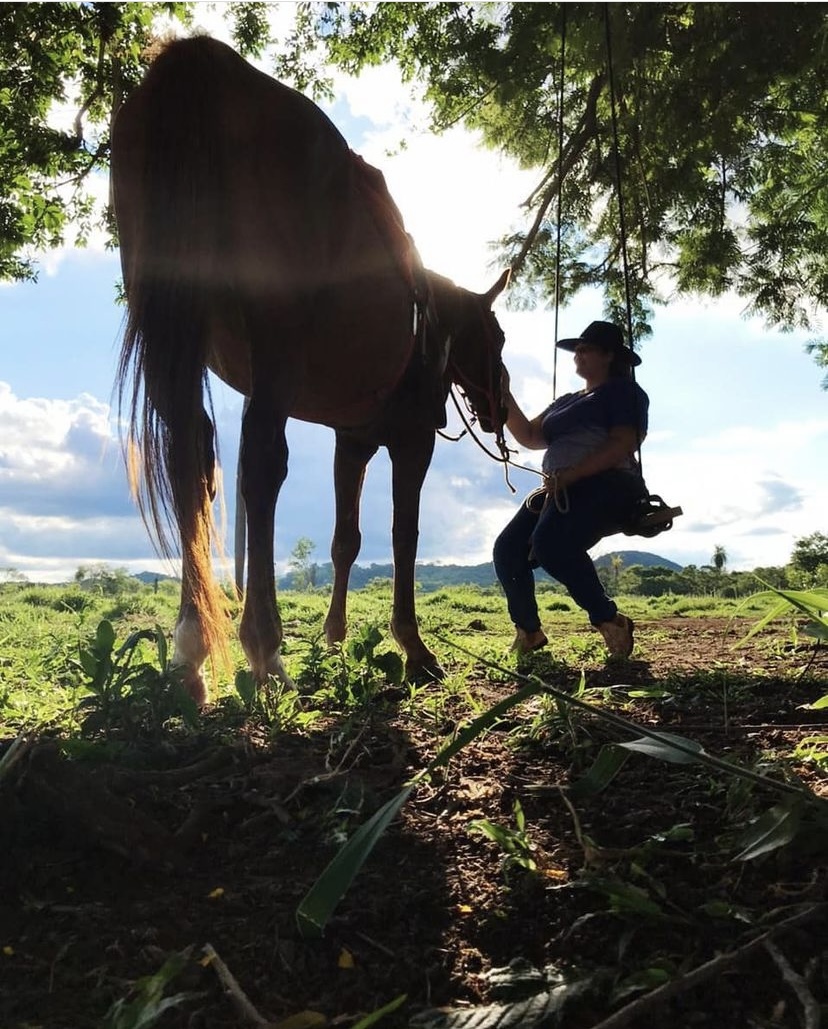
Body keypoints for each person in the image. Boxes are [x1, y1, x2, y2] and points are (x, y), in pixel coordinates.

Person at [493, 320, 649, 658]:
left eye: (585, 348)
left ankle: (609, 619)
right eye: (576, 349)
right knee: (508, 549)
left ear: (609, 355)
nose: (577, 354)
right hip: (560, 490)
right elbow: (530, 436)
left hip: (609, 484)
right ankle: (529, 632)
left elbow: (623, 442)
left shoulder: (624, 392)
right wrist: (503, 394)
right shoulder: (565, 401)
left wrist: (573, 474)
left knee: (551, 543)